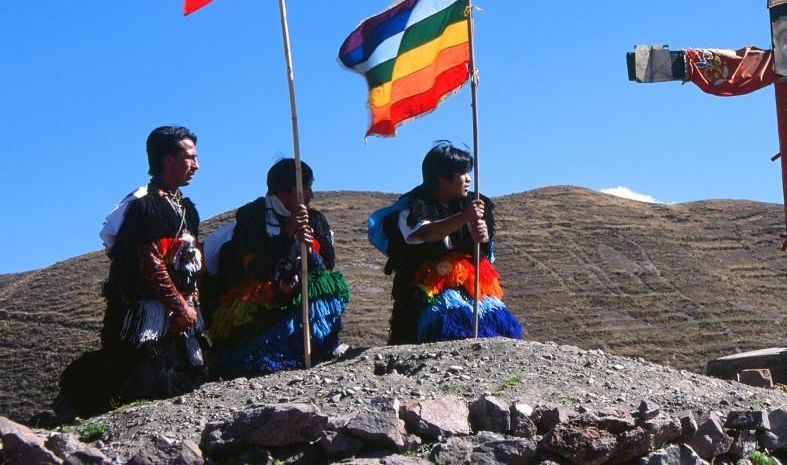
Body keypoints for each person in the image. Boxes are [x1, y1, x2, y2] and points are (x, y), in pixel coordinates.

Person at [58, 126, 208, 416]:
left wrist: (190, 304)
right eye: (190, 157)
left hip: (183, 310)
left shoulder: (187, 209)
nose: (196, 165)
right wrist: (178, 307)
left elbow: (193, 261)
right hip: (146, 312)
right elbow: (150, 263)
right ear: (167, 159)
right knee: (138, 373)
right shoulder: (144, 206)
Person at [205, 158, 349, 377]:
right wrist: (287, 235)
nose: (311, 195)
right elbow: (255, 267)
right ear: (283, 192)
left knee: (326, 294)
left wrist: (309, 249)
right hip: (262, 296)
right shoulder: (252, 219)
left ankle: (316, 348)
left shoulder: (316, 219)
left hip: (300, 291)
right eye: (305, 188)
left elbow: (327, 266)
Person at [369, 141, 521, 344]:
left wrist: (482, 235)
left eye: (468, 173)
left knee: (497, 323)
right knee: (450, 321)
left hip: (471, 284)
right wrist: (463, 218)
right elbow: (425, 233)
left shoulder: (474, 204)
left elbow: (486, 249)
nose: (468, 179)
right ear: (442, 178)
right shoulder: (412, 208)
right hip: (426, 289)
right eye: (462, 173)